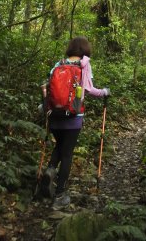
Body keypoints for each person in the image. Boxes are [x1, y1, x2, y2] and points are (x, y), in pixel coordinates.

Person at [40, 36, 110, 210]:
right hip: (73, 116)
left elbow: (48, 88)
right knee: (67, 153)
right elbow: (89, 89)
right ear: (85, 49)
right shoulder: (84, 64)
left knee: (59, 146)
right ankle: (60, 195)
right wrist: (104, 92)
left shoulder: (58, 64)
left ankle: (49, 170)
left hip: (54, 114)